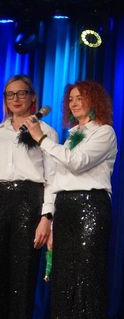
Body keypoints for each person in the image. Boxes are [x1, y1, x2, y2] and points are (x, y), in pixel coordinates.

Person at [23, 80, 117, 319]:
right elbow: (58, 180)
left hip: (90, 206)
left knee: (87, 276)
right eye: (71, 99)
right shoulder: (72, 135)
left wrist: (42, 139)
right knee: (63, 278)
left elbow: (77, 162)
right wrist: (52, 220)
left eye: (80, 98)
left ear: (94, 100)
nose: (74, 103)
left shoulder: (104, 132)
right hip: (65, 207)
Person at [0, 75, 57, 319]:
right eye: (10, 94)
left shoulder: (46, 132)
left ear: (32, 97)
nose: (15, 98)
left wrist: (47, 217)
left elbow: (52, 178)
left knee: (22, 275)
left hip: (29, 201)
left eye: (21, 93)